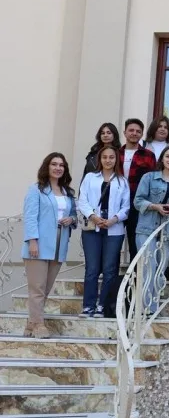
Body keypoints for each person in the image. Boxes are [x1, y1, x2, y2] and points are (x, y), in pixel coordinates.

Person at [21, 153, 77, 338]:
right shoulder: (36, 189)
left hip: (58, 246)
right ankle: (38, 325)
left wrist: (71, 219)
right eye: (54, 164)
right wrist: (32, 241)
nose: (58, 168)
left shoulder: (68, 193)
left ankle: (30, 324)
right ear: (47, 166)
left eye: (61, 165)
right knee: (37, 288)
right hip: (38, 245)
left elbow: (74, 215)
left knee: (44, 289)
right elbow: (30, 217)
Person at [133, 147, 169, 315]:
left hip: (168, 231)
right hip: (146, 229)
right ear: (162, 159)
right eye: (168, 156)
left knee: (160, 270)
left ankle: (153, 307)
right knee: (148, 267)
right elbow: (137, 201)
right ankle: (144, 309)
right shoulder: (149, 178)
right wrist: (155, 206)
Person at [78, 145, 129, 317]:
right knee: (92, 269)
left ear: (116, 159)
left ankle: (103, 306)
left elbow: (126, 207)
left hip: (114, 229)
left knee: (109, 269)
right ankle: (88, 306)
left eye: (111, 157)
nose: (108, 160)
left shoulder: (122, 181)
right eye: (105, 157)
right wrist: (93, 216)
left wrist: (114, 219)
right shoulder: (90, 178)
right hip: (92, 228)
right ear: (100, 159)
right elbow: (82, 200)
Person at [120, 119, 157, 261]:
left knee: (135, 240)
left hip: (137, 202)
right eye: (131, 130)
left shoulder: (148, 155)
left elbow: (152, 181)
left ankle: (135, 272)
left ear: (142, 134)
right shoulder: (115, 153)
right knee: (114, 241)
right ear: (125, 133)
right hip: (116, 201)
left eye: (138, 131)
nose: (134, 133)